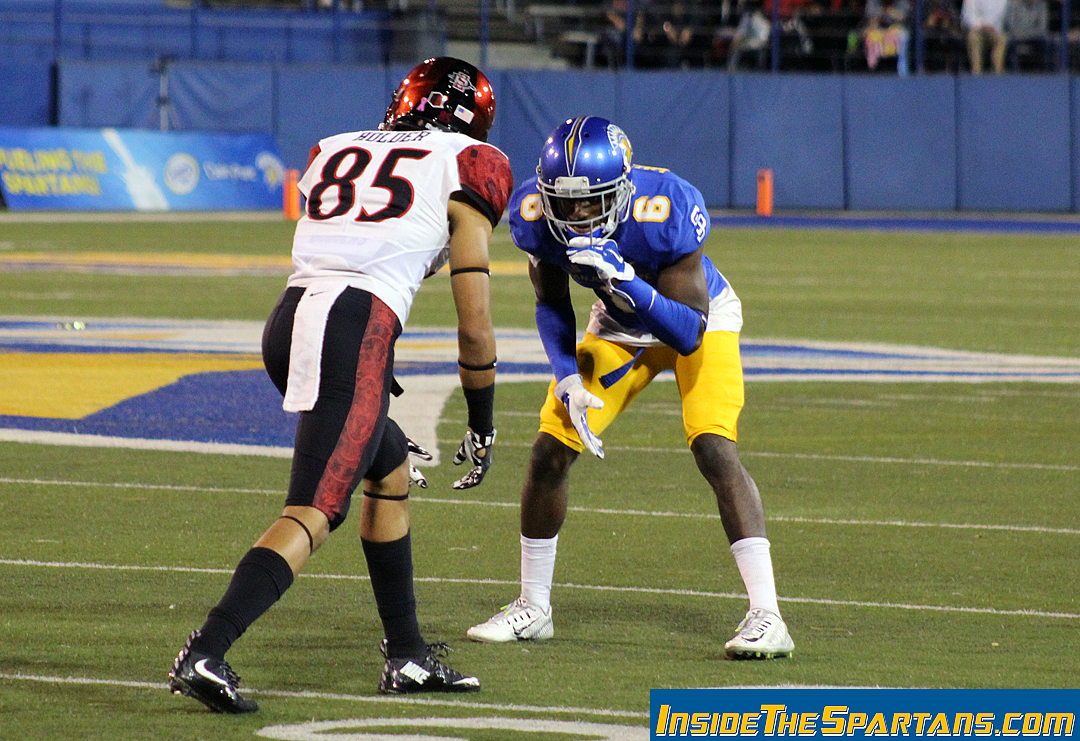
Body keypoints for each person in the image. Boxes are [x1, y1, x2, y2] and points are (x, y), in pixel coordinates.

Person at [167, 56, 514, 713]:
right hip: (354, 329)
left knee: (386, 469)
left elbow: (365, 237)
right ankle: (208, 649)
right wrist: (483, 412)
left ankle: (406, 654)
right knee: (314, 510)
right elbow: (475, 317)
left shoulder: (333, 147)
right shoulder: (473, 162)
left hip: (293, 319)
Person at [467, 116, 794, 660]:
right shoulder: (535, 216)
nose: (574, 215)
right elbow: (550, 303)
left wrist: (629, 283)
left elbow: (688, 331)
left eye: (589, 201)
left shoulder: (665, 206)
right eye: (563, 201)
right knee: (550, 448)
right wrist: (566, 373)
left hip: (697, 319)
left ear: (621, 190)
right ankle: (533, 606)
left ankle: (768, 615)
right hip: (618, 327)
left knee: (714, 446)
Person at [962, 0, 1008, 72]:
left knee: (1002, 38)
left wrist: (993, 27)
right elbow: (967, 16)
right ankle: (976, 72)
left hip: (996, 30)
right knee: (973, 37)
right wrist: (982, 25)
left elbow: (1004, 16)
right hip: (977, 30)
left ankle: (998, 73)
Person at [1003, 0, 1049, 70]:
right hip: (1016, 36)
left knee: (1046, 42)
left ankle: (1044, 72)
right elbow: (1010, 24)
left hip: (1034, 37)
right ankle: (1014, 72)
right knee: (1011, 42)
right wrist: (1018, 33)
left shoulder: (1042, 5)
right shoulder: (1015, 4)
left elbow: (1042, 28)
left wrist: (1026, 35)